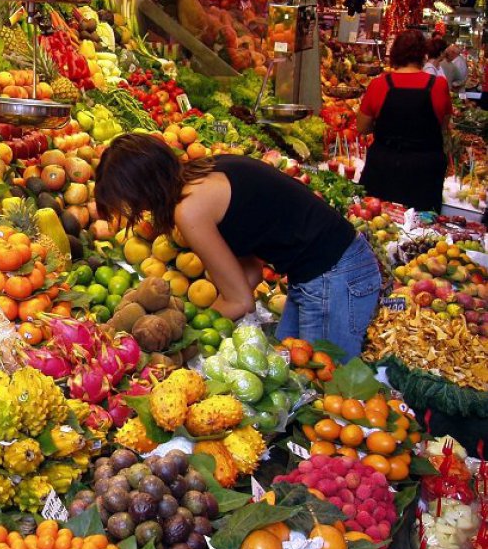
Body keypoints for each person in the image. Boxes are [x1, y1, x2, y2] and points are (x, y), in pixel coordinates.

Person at [94, 133, 381, 360]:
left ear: (142, 188)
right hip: (323, 272)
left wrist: (182, 333)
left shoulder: (190, 209)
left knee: (325, 391)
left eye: (130, 202)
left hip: (334, 276)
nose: (138, 211)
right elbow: (251, 274)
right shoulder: (206, 173)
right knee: (291, 373)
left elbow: (239, 301)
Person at [357, 30, 452, 211]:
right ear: (423, 54)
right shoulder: (438, 85)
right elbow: (443, 126)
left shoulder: (379, 84)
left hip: (384, 166)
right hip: (424, 171)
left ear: (394, 54)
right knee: (423, 229)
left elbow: (362, 127)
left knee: (378, 222)